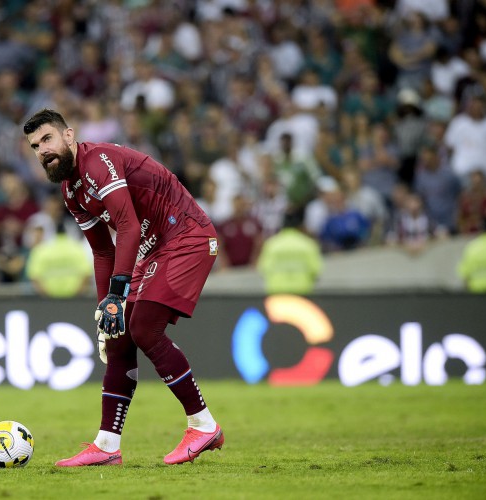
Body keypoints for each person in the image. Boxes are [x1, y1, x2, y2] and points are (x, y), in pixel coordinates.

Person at [23, 109, 224, 466]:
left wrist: (117, 294)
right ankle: (106, 445)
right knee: (118, 338)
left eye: (47, 139)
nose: (42, 150)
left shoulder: (98, 163)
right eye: (35, 146)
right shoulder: (72, 191)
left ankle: (203, 425)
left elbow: (128, 226)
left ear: (69, 136)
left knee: (145, 327)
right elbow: (103, 250)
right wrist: (106, 309)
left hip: (186, 235)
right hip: (153, 247)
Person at [256, 213, 323, 295]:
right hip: (302, 291)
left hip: (276, 291)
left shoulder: (271, 244)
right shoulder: (308, 244)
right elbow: (315, 270)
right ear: (300, 227)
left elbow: (263, 269)